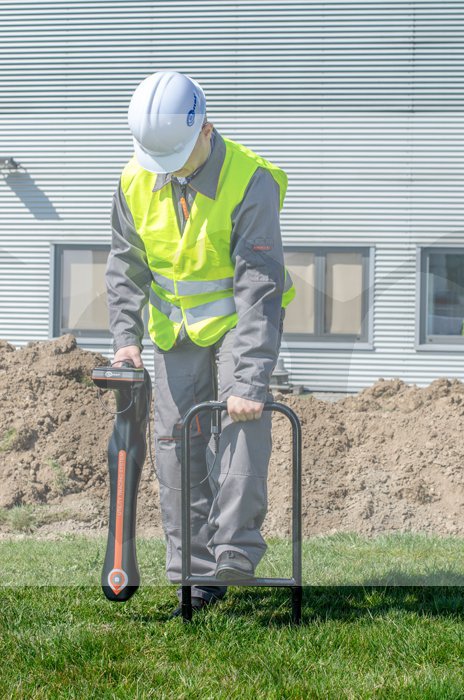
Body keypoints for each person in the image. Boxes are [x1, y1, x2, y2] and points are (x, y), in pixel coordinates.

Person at [105, 71, 295, 617]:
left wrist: (250, 381)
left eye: (178, 159)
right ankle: (196, 576)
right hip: (175, 326)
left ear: (206, 129)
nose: (168, 171)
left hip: (240, 318)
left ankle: (234, 551)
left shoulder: (250, 180)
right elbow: (125, 266)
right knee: (175, 443)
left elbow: (259, 286)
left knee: (242, 416)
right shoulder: (135, 178)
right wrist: (126, 340)